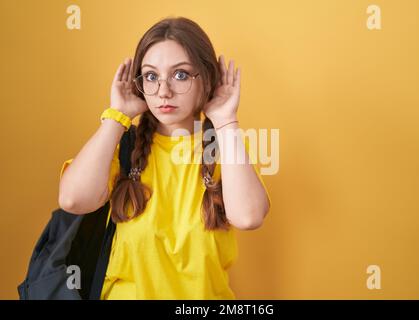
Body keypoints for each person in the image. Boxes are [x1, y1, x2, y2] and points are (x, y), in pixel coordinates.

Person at [58, 16, 271, 300]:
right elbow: (73, 200)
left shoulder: (223, 150)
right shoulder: (123, 147)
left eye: (180, 74)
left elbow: (248, 216)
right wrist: (117, 116)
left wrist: (225, 121)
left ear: (206, 78)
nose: (163, 91)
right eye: (151, 76)